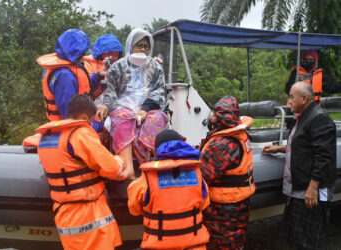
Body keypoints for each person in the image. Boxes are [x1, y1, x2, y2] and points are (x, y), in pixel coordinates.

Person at [36, 94, 129, 250]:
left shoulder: (46, 138)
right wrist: (121, 159)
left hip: (64, 214)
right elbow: (111, 168)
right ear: (85, 116)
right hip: (88, 214)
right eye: (92, 121)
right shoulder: (80, 133)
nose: (91, 125)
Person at [262, 81, 336, 250]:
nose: (288, 102)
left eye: (291, 97)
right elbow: (303, 145)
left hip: (309, 192)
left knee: (308, 241)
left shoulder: (318, 118)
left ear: (304, 98)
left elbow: (324, 155)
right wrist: (279, 148)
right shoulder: (304, 117)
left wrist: (313, 186)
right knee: (297, 238)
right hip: (299, 189)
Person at [99, 28, 168, 180]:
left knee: (156, 119)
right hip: (122, 107)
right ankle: (129, 168)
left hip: (149, 107)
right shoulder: (117, 67)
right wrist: (106, 105)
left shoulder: (156, 67)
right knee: (121, 118)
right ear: (131, 45)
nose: (143, 49)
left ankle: (149, 165)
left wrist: (145, 108)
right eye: (139, 45)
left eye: (146, 46)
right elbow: (111, 91)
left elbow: (160, 91)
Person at [127, 129, 210, 249]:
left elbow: (134, 209)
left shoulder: (147, 177)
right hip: (195, 245)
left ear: (156, 151)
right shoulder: (197, 173)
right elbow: (204, 203)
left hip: (159, 246)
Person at [199, 96, 255, 250]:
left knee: (223, 243)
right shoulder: (238, 135)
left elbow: (202, 174)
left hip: (224, 209)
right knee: (235, 241)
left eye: (214, 114)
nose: (211, 117)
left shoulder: (223, 144)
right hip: (238, 203)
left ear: (221, 118)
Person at [37, 29, 105, 121]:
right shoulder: (64, 76)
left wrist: (98, 75)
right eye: (82, 52)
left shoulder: (64, 65)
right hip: (69, 128)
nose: (84, 54)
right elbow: (70, 116)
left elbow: (80, 85)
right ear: (74, 51)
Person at [83, 34, 123, 103]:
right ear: (100, 53)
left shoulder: (120, 66)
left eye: (116, 54)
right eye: (110, 54)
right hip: (90, 102)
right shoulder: (88, 64)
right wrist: (98, 75)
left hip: (111, 103)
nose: (113, 57)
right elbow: (85, 85)